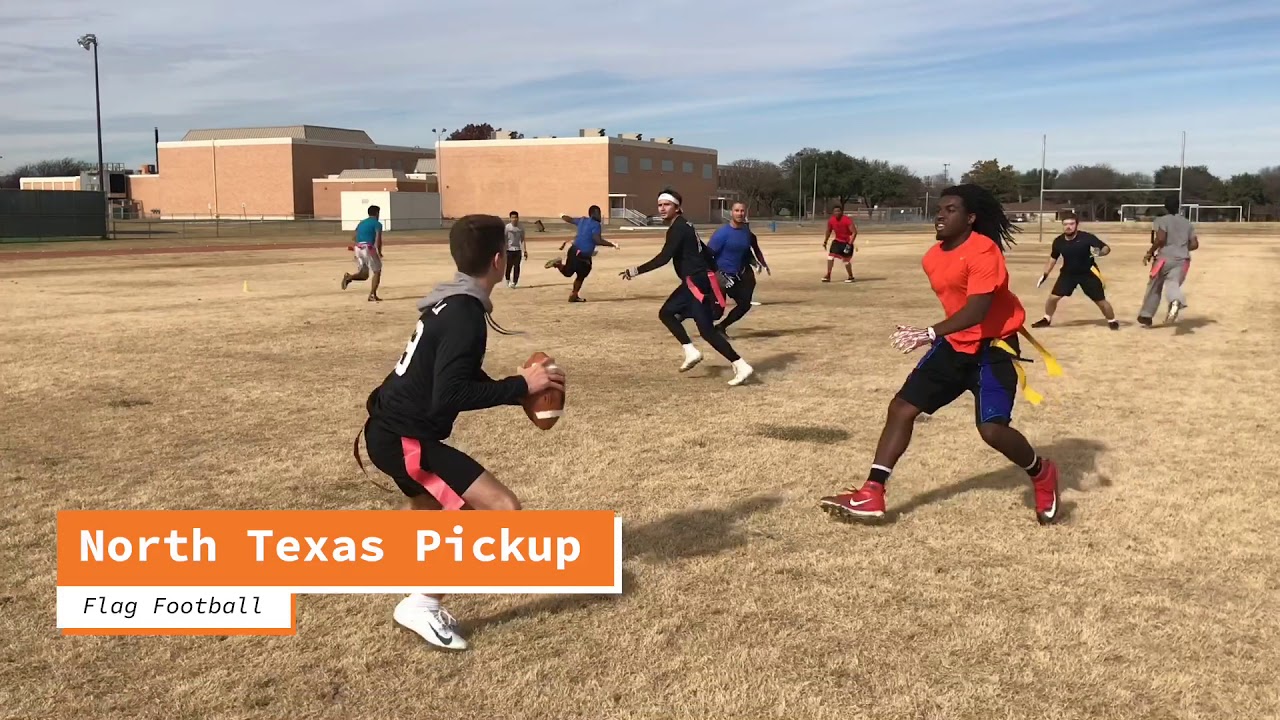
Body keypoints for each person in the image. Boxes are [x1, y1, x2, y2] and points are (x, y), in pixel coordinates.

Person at [355, 214, 566, 651]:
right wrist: (521, 387)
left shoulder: (450, 301)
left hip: (392, 429)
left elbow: (455, 377)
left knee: (429, 511)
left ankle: (401, 573)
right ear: (498, 259)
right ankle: (422, 603)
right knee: (501, 508)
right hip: (404, 438)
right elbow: (448, 395)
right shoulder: (464, 314)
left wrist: (516, 388)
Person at [817, 184, 1062, 526]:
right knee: (902, 408)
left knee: (992, 431)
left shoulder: (984, 251)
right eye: (940, 208)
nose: (940, 215)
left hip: (994, 349)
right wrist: (941, 335)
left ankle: (1041, 472)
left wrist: (931, 332)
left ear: (970, 218)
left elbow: (978, 310)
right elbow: (958, 308)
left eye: (951, 210)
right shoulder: (932, 257)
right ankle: (872, 492)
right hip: (954, 346)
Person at [620, 188, 754, 386]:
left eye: (667, 205)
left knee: (666, 313)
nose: (662, 209)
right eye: (660, 205)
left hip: (694, 283)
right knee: (707, 331)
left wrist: (635, 271)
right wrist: (718, 275)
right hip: (699, 281)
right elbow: (707, 252)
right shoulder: (687, 225)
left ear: (677, 207)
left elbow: (664, 257)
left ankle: (691, 351)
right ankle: (740, 364)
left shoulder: (679, 228)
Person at [1031, 212, 1119, 330]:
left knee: (1100, 301)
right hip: (1068, 274)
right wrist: (1045, 274)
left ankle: (1112, 321)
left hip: (1088, 273)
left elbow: (1106, 248)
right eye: (1065, 224)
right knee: (1053, 298)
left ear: (1076, 225)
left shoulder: (1086, 237)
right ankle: (1046, 319)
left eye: (1071, 224)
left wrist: (1100, 252)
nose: (1068, 226)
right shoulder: (1058, 241)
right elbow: (1053, 258)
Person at [708, 201, 770, 336]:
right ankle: (684, 315)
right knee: (716, 313)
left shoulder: (747, 233)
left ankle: (721, 328)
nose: (740, 213)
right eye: (737, 210)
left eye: (742, 211)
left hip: (737, 277)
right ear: (731, 213)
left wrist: (759, 262)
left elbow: (749, 251)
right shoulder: (721, 234)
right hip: (721, 277)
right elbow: (707, 256)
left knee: (744, 305)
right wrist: (718, 276)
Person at [1139, 196, 1199, 327]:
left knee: (1154, 286)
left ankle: (1146, 315)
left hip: (1164, 258)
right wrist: (1181, 247)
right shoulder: (1187, 223)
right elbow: (1194, 244)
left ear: (1165, 206)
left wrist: (1150, 252)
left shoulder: (1161, 220)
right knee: (1173, 283)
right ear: (1178, 206)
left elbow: (1160, 238)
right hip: (1183, 259)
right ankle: (1176, 301)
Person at [545, 205, 619, 302]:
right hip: (581, 255)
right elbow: (597, 240)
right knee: (581, 274)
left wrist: (561, 215)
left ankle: (573, 292)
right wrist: (612, 244)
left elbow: (570, 219)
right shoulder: (596, 225)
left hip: (574, 250)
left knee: (572, 273)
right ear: (593, 214)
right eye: (598, 213)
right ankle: (573, 292)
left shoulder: (582, 220)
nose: (600, 215)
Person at [342, 205, 384, 302]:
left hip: (358, 248)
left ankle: (349, 277)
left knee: (364, 275)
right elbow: (378, 239)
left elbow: (354, 237)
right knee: (377, 271)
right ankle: (372, 295)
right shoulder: (377, 224)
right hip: (368, 248)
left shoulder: (361, 223)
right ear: (377, 213)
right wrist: (379, 251)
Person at [822, 204, 857, 283]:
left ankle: (851, 276)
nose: (837, 213)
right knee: (830, 257)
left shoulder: (847, 220)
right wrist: (825, 241)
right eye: (835, 211)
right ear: (833, 212)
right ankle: (828, 275)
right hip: (837, 241)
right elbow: (828, 231)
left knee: (846, 261)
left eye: (838, 211)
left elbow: (854, 232)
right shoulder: (831, 220)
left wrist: (849, 244)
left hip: (847, 242)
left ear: (842, 212)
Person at [504, 211, 527, 288]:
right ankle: (507, 279)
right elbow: (504, 239)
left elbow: (523, 239)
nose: (514, 219)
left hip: (517, 250)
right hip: (509, 250)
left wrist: (525, 250)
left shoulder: (521, 227)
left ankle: (514, 281)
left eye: (516, 217)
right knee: (509, 266)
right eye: (512, 217)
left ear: (518, 218)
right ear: (510, 218)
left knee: (517, 266)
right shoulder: (507, 227)